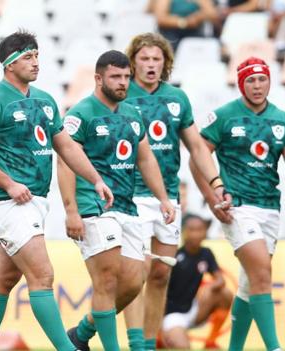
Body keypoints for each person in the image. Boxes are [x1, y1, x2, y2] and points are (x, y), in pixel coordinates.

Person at [0, 30, 114, 351]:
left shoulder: (44, 100)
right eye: (28, 57)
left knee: (3, 280)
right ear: (9, 63)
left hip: (35, 202)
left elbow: (67, 147)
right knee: (42, 276)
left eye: (37, 56)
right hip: (7, 202)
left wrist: (95, 178)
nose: (36, 63)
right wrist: (8, 183)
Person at [58, 50, 175, 351]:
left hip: (127, 205)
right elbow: (64, 162)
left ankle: (82, 334)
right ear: (99, 78)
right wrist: (71, 211)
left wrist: (163, 199)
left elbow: (146, 158)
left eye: (126, 76)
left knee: (135, 281)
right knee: (107, 280)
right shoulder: (80, 114)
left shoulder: (133, 114)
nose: (123, 83)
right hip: (94, 207)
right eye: (116, 77)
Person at [121, 32, 229, 351]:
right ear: (133, 62)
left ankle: (150, 342)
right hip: (131, 195)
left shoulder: (176, 98)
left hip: (167, 197)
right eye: (144, 59)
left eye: (157, 59)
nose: (151, 65)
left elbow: (196, 145)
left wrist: (216, 183)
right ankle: (134, 344)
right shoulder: (121, 96)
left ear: (165, 63)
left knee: (158, 276)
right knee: (134, 275)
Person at [191, 56, 285, 351]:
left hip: (270, 208)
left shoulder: (281, 119)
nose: (257, 85)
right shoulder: (224, 116)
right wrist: (212, 197)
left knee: (248, 284)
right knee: (261, 274)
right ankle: (274, 347)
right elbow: (197, 157)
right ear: (241, 83)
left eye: (262, 79)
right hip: (237, 207)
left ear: (270, 81)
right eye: (250, 80)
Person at [161, 214, 233, 349]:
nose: (197, 234)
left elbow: (220, 280)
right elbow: (160, 292)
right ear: (184, 232)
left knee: (225, 293)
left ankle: (211, 341)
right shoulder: (175, 256)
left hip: (195, 310)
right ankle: (164, 336)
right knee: (183, 347)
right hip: (174, 315)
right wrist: (159, 328)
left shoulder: (206, 253)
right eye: (192, 230)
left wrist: (209, 287)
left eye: (200, 229)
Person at [153, 0, 217, 50]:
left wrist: (198, 16)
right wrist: (184, 22)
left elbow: (212, 14)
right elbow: (160, 19)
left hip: (194, 34)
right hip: (171, 35)